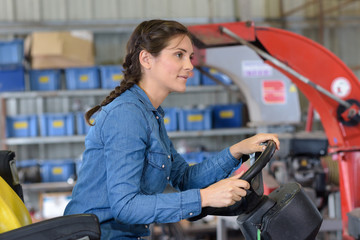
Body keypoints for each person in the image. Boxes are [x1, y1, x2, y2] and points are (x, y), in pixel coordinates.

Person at [64, 19, 280, 239]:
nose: (189, 65)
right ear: (146, 59)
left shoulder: (150, 114)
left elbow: (185, 179)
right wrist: (204, 198)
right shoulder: (126, 115)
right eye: (179, 55)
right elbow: (126, 206)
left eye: (190, 57)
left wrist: (236, 151)